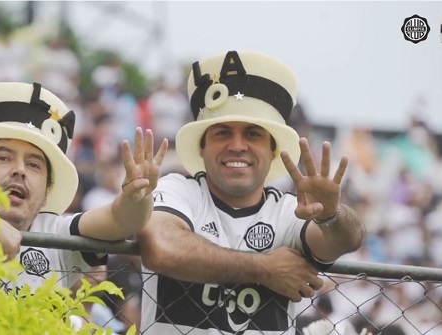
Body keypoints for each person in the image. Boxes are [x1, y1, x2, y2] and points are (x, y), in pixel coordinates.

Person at [136, 50, 365, 334]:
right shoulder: (177, 190)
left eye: (253, 134)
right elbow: (161, 247)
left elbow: (347, 239)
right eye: (222, 132)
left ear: (273, 151)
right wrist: (266, 269)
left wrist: (331, 215)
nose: (237, 145)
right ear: (201, 147)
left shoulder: (288, 211)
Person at [0, 81, 168, 293]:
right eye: (3, 157)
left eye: (34, 165)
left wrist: (138, 197)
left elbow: (120, 220)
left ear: (47, 191)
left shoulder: (57, 232)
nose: (20, 170)